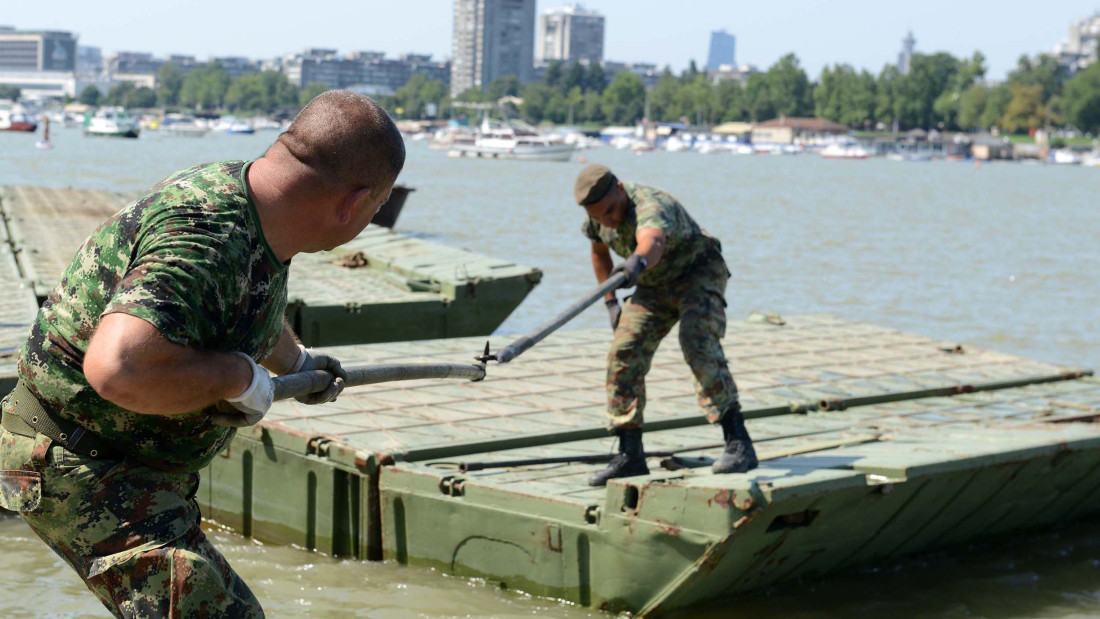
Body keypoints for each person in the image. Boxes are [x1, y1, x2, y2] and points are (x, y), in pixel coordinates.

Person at [0, 90, 405, 617]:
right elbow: (118, 367)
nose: (372, 218)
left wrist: (296, 364)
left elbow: (243, 295)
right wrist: (236, 376)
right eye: (378, 206)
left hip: (130, 462)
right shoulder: (206, 235)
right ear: (352, 203)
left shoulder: (258, 203)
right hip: (78, 460)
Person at [574, 164, 758, 487]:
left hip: (697, 273)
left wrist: (638, 261)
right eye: (600, 216)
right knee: (624, 351)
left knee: (696, 339)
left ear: (619, 187)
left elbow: (653, 241)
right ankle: (630, 455)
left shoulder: (650, 205)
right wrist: (611, 302)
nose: (609, 220)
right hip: (655, 285)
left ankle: (738, 442)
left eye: (611, 211)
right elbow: (599, 252)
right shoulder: (599, 218)